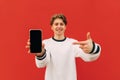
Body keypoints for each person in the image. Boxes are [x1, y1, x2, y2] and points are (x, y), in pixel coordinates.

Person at [26, 14, 101, 80]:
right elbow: (41, 64)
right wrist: (40, 54)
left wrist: (92, 49)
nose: (59, 26)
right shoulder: (45, 43)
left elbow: (88, 57)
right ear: (51, 27)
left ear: (65, 27)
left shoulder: (72, 43)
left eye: (61, 24)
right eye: (56, 24)